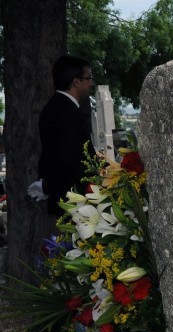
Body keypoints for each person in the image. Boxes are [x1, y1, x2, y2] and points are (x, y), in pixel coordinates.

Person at [27, 55, 95, 215]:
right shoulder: (66, 112)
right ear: (76, 81)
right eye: (89, 78)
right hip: (73, 200)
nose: (91, 83)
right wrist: (46, 186)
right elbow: (65, 157)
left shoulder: (58, 107)